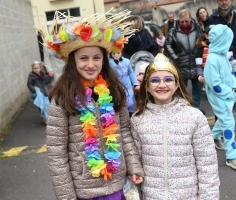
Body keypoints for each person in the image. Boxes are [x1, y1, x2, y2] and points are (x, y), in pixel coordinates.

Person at [43, 10, 144, 200]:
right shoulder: (62, 99)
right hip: (84, 190)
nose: (90, 64)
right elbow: (57, 154)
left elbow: (124, 133)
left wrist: (133, 167)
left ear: (104, 60)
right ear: (73, 61)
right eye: (83, 58)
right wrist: (66, 196)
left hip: (117, 184)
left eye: (96, 58)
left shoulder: (115, 92)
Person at [131, 53, 220, 199]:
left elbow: (207, 165)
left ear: (177, 84)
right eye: (154, 80)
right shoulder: (138, 119)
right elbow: (136, 165)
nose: (162, 85)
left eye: (168, 80)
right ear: (146, 86)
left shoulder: (194, 117)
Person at [204, 24, 236, 169]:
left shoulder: (221, 56)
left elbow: (229, 75)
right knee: (229, 123)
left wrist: (235, 87)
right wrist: (230, 91)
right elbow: (214, 84)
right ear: (222, 40)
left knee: (223, 120)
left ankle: (210, 138)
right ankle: (232, 156)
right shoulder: (212, 59)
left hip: (226, 96)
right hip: (219, 97)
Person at [205, 0, 236, 109]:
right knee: (226, 77)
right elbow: (209, 37)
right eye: (221, 0)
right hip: (222, 54)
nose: (224, 2)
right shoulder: (212, 19)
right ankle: (230, 100)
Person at [164, 9, 204, 113]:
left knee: (197, 87)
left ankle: (196, 108)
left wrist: (200, 54)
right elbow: (167, 45)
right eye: (182, 21)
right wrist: (175, 57)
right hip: (181, 62)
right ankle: (184, 108)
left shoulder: (197, 28)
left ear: (190, 19)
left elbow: (202, 41)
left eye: (186, 21)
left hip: (196, 62)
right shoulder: (173, 30)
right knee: (181, 88)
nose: (184, 23)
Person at [109, 51, 140, 117]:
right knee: (120, 104)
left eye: (118, 53)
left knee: (130, 103)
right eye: (113, 53)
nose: (116, 55)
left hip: (127, 85)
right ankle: (123, 118)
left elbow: (131, 73)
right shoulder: (109, 62)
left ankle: (130, 116)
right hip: (117, 86)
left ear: (121, 53)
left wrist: (135, 83)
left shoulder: (126, 61)